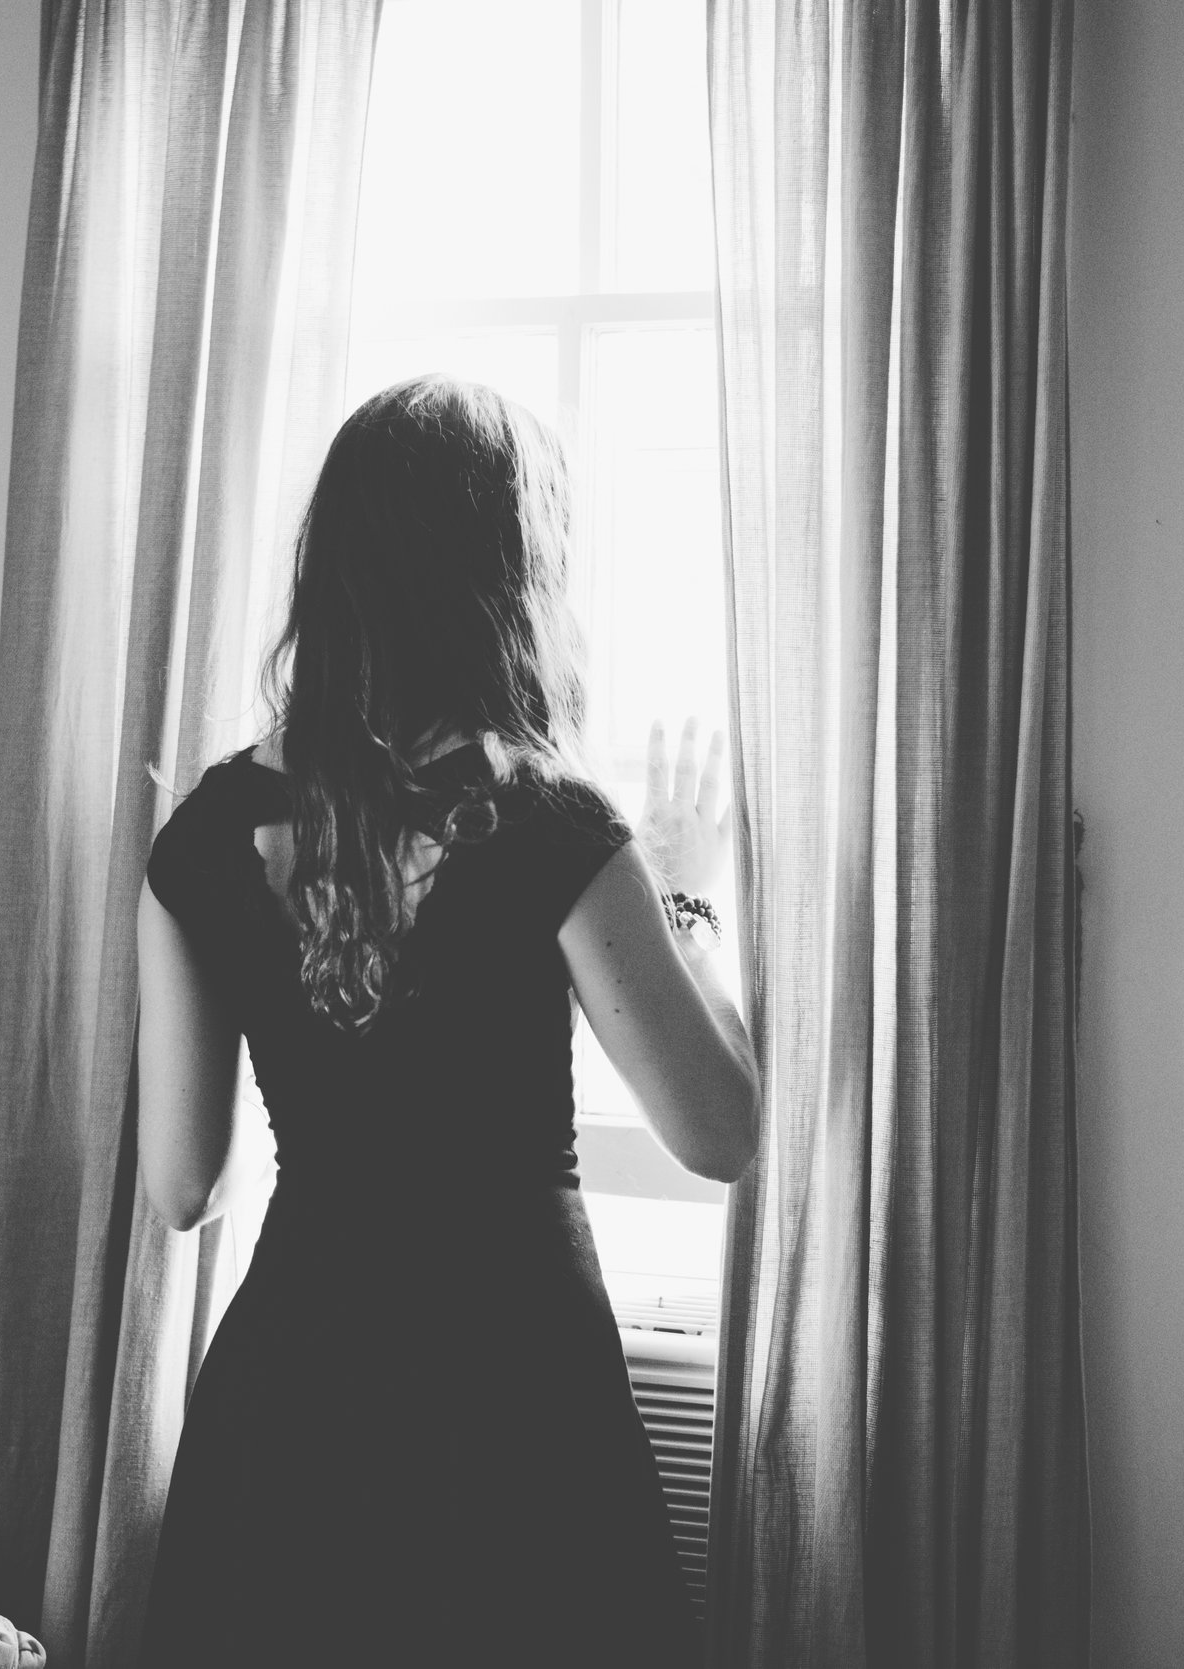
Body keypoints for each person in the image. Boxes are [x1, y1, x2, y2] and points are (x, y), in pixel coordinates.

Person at [134, 373, 760, 1667]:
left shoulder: (198, 841)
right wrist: (688, 899)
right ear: (510, 581)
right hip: (513, 1386)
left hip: (296, 1389)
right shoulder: (555, 825)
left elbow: (185, 1186)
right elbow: (719, 1131)